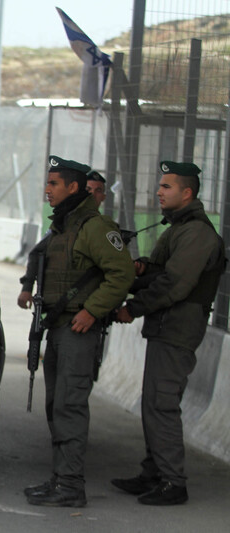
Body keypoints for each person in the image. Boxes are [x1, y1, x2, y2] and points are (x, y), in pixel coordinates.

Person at [22, 156, 134, 507]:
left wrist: (92, 310)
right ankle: (61, 478)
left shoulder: (95, 227)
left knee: (69, 406)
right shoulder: (63, 226)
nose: (48, 189)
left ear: (73, 187)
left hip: (77, 328)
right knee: (57, 405)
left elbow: (122, 273)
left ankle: (70, 484)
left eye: (54, 183)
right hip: (58, 327)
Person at [112, 161, 225, 506]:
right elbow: (164, 270)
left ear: (187, 192)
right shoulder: (178, 228)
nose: (158, 192)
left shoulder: (197, 233)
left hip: (178, 327)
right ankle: (154, 472)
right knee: (153, 402)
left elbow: (175, 283)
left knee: (161, 403)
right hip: (166, 326)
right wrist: (144, 267)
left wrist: (134, 307)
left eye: (166, 187)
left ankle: (173, 481)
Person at [18, 166, 110, 309]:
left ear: (104, 196)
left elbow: (118, 274)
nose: (93, 194)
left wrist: (93, 311)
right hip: (59, 309)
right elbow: (37, 252)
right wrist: (27, 287)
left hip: (80, 312)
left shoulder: (101, 227)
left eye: (98, 191)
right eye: (89, 190)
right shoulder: (65, 222)